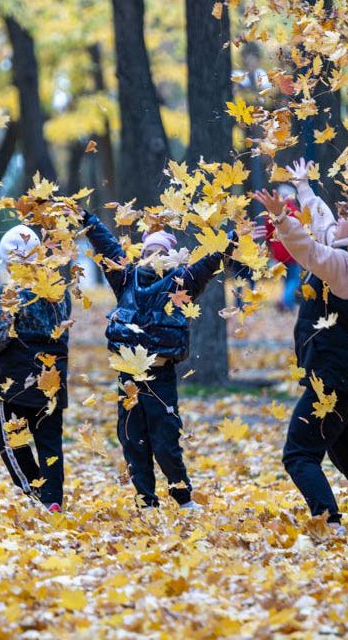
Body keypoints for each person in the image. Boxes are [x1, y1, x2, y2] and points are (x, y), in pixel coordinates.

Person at [253, 158, 348, 535]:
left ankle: (330, 523)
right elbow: (325, 225)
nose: (342, 215)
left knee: (299, 454)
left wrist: (282, 221)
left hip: (334, 377)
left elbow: (311, 251)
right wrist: (303, 188)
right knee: (346, 452)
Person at [82, 210, 236, 510]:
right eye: (150, 252)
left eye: (162, 253)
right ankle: (145, 501)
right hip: (129, 380)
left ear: (172, 258)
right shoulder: (127, 279)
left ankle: (183, 498)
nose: (155, 258)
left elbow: (208, 263)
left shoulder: (181, 284)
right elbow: (107, 246)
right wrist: (87, 219)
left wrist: (232, 239)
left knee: (166, 442)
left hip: (159, 378)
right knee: (132, 441)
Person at [0, 225, 71, 513]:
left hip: (16, 383)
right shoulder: (60, 291)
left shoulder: (10, 292)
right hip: (52, 379)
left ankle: (35, 489)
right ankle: (53, 499)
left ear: (9, 261)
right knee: (49, 443)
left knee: (10, 441)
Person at [263, 183, 303, 311]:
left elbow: (268, 231)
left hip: (278, 251)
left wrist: (270, 245)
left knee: (286, 278)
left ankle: (288, 305)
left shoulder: (272, 212)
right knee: (294, 279)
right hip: (293, 250)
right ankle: (285, 301)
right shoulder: (295, 211)